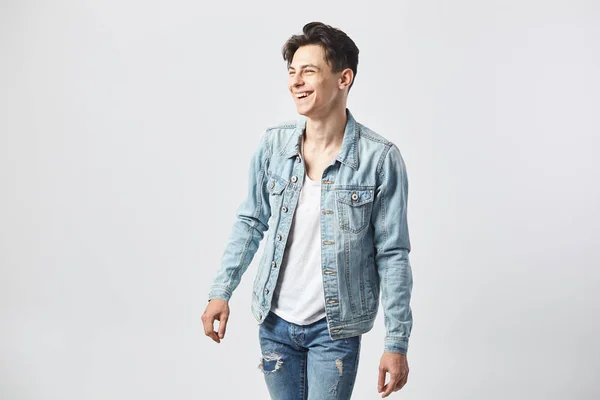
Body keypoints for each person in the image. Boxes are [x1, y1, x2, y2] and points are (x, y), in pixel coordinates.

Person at [202, 21, 413, 399]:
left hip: (334, 330)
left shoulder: (379, 159)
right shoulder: (273, 145)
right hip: (275, 323)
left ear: (343, 78)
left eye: (309, 71)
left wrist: (396, 342)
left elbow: (393, 254)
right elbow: (251, 222)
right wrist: (221, 290)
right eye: (292, 72)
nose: (296, 82)